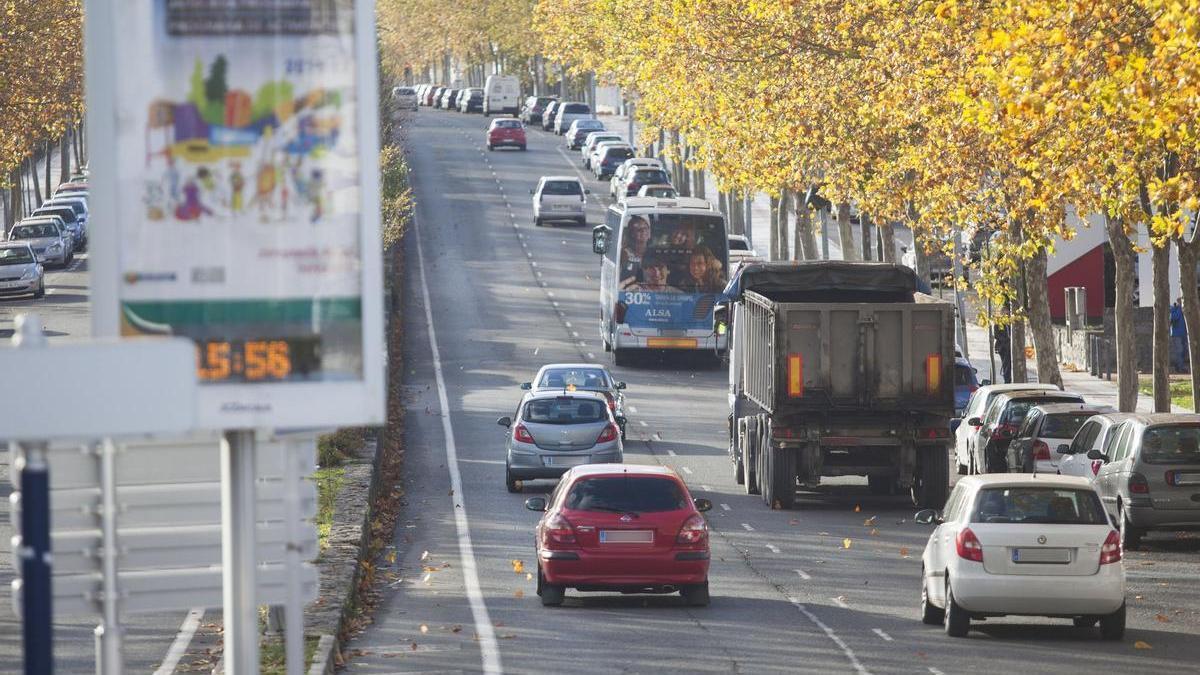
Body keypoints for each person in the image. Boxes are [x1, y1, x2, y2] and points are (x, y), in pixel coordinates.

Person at [618, 215, 651, 285]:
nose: (643, 231)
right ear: (632, 234)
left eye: (645, 228)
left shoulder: (654, 252)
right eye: (639, 230)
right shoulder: (624, 253)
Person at [1170, 297, 1189, 373]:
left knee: (1185, 350)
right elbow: (1174, 318)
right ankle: (1181, 368)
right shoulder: (1173, 309)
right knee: (1179, 350)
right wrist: (1179, 309)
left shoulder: (1185, 309)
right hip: (1176, 334)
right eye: (1180, 302)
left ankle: (1179, 366)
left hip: (1184, 333)